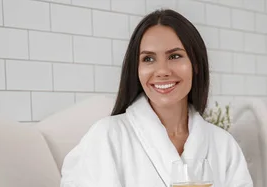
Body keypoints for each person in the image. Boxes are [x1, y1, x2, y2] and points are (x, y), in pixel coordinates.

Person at [60, 9, 253, 187]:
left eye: (175, 56)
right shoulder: (106, 136)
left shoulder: (223, 145)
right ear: (136, 70)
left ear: (195, 64)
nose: (162, 71)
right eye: (148, 59)